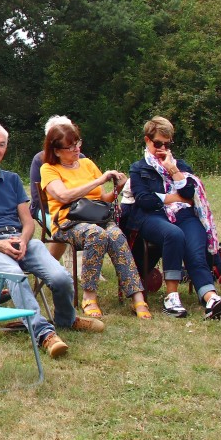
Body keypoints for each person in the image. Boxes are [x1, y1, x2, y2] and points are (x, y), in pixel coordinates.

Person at [0, 122, 104, 358]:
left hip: (19, 240)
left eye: (1, 145)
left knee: (60, 277)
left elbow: (28, 222)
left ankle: (66, 320)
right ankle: (43, 332)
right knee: (16, 276)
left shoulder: (13, 180)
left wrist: (23, 240)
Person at [41, 122, 152, 319]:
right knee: (97, 234)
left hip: (96, 218)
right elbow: (63, 196)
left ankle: (137, 296)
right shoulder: (49, 169)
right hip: (67, 222)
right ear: (56, 151)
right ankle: (89, 296)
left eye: (78, 143)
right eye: (70, 146)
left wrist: (118, 188)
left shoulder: (87, 164)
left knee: (116, 235)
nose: (77, 149)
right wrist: (99, 180)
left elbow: (105, 199)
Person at [122, 117, 221, 319]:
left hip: (183, 215)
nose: (162, 148)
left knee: (195, 247)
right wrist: (176, 198)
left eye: (167, 144)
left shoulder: (181, 165)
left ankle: (210, 298)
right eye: (158, 143)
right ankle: (171, 297)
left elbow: (189, 192)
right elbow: (145, 200)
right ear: (147, 140)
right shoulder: (138, 168)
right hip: (151, 217)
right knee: (174, 234)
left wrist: (172, 169)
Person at [28, 115, 83, 220]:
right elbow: (37, 197)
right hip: (48, 210)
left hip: (81, 207)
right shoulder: (40, 160)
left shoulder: (81, 158)